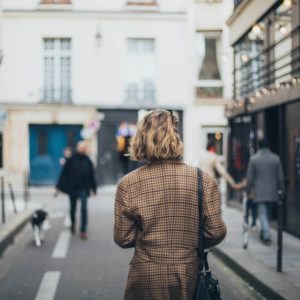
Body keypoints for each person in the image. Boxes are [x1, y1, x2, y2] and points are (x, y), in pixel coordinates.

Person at [114, 109, 226, 299]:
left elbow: (123, 238)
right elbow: (215, 232)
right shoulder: (203, 180)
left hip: (145, 275)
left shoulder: (128, 183)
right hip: (188, 274)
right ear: (177, 137)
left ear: (141, 139)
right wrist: (190, 241)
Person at [246, 139, 284, 245]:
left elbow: (249, 178)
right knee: (266, 214)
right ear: (269, 146)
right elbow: (280, 178)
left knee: (262, 214)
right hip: (272, 192)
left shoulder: (254, 159)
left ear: (258, 146)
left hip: (259, 192)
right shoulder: (276, 159)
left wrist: (248, 191)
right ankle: (264, 233)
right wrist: (282, 191)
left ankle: (266, 236)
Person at [56, 141, 97, 239]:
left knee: (83, 208)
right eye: (80, 147)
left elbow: (92, 175)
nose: (81, 149)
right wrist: (58, 185)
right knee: (72, 209)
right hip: (72, 188)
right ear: (77, 148)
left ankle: (83, 230)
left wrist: (94, 188)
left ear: (85, 149)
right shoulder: (71, 159)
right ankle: (73, 223)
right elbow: (64, 173)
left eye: (83, 147)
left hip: (84, 188)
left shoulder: (88, 161)